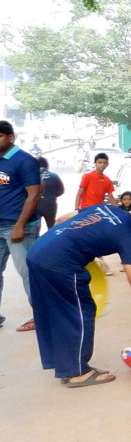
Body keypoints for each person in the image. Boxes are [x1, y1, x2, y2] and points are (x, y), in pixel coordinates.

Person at [28, 201, 131, 386]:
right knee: (80, 311)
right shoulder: (128, 236)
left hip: (37, 252)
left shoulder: (106, 208)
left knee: (55, 310)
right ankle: (77, 372)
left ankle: (65, 365)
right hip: (61, 263)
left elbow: (62, 219)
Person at [0, 121, 43, 330]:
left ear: (10, 137)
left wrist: (19, 225)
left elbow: (34, 195)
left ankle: (42, 316)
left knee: (28, 272)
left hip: (19, 227)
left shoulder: (24, 161)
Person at [36, 156, 65, 229]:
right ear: (46, 165)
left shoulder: (31, 176)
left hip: (34, 206)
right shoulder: (54, 176)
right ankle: (51, 240)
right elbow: (61, 191)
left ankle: (37, 240)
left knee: (35, 228)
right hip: (50, 204)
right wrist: (51, 195)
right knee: (51, 226)